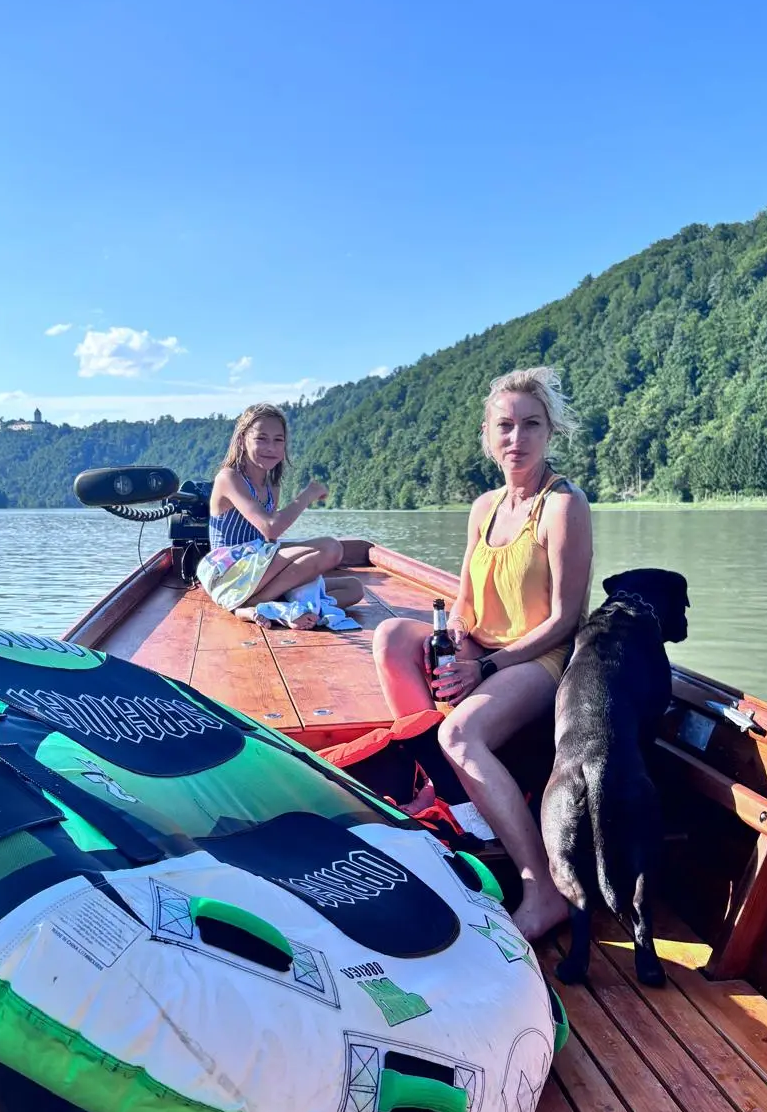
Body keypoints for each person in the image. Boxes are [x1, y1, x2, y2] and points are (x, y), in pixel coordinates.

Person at [372, 367, 592, 941]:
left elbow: (565, 618)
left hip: (539, 661)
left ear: (550, 433)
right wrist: (458, 644)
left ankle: (543, 891)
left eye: (530, 425)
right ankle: (449, 792)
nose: (516, 439)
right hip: (486, 653)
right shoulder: (485, 507)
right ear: (488, 436)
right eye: (505, 426)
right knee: (392, 638)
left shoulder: (564, 506)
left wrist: (485, 667)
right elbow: (467, 602)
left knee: (460, 734)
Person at [197, 402, 363, 626]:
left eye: (278, 440)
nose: (271, 447)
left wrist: (304, 570)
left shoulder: (271, 485)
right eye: (261, 439)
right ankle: (252, 604)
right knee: (331, 547)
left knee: (354, 588)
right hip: (230, 572)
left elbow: (269, 540)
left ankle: (288, 608)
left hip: (258, 568)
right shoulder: (229, 478)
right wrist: (308, 495)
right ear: (242, 440)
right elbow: (270, 527)